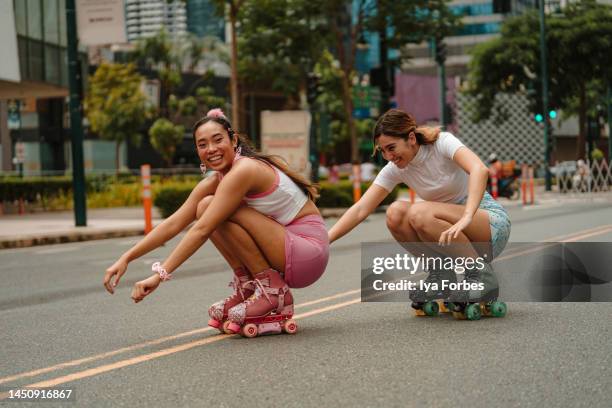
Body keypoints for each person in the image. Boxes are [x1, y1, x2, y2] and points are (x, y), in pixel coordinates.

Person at [103, 109, 329, 336]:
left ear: (233, 140)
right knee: (204, 206)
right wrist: (126, 258)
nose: (211, 149)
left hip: (307, 253)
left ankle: (272, 291)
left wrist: (159, 275)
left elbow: (202, 229)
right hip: (285, 247)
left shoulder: (245, 169)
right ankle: (249, 286)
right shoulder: (217, 181)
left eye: (218, 140)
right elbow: (173, 224)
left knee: (209, 209)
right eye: (202, 144)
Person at [328, 109, 511, 313]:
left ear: (411, 138)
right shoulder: (395, 168)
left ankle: (480, 277)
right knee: (395, 213)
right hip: (450, 228)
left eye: (391, 148)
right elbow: (361, 209)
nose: (389, 156)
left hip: (488, 224)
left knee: (419, 213)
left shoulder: (442, 143)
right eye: (382, 151)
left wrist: (467, 215)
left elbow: (479, 169)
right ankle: (441, 275)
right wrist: (325, 240)